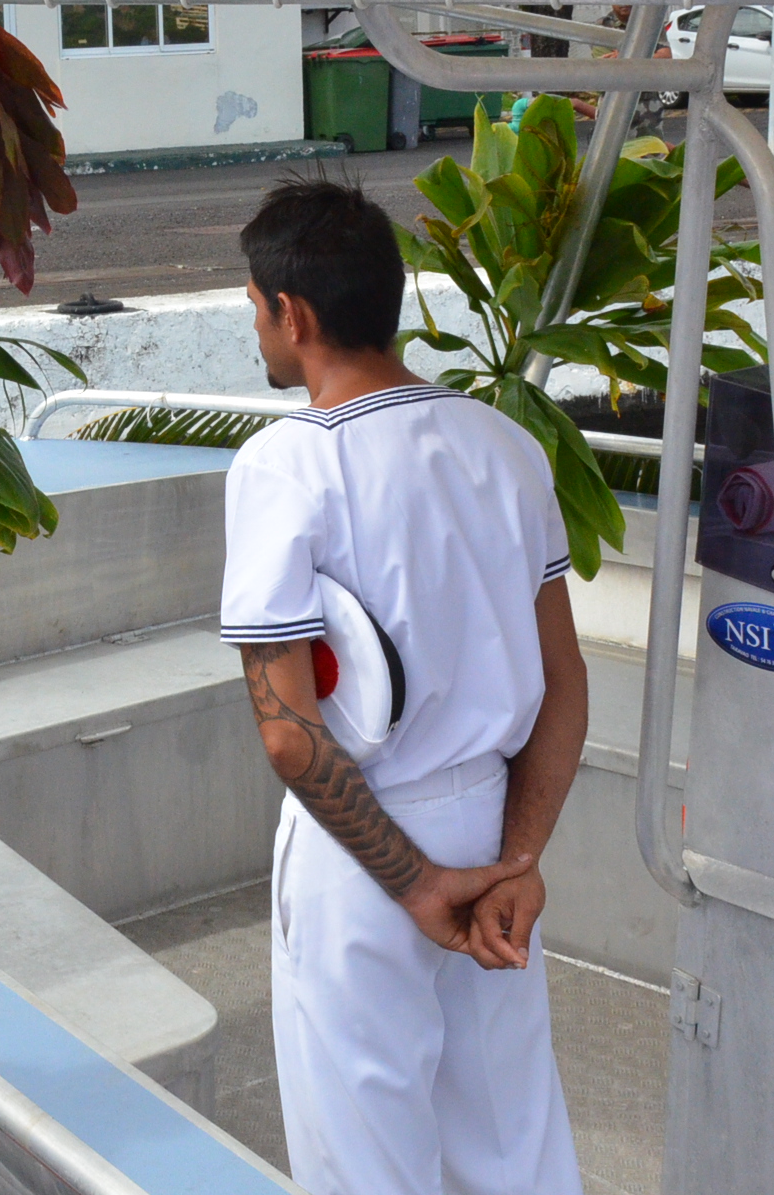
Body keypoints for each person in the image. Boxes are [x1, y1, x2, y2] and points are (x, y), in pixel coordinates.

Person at [222, 176, 589, 1195]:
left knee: (367, 1162)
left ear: (292, 314)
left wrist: (419, 886)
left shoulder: (283, 466)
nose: (256, 329)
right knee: (512, 1149)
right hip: (495, 834)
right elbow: (564, 683)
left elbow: (289, 732)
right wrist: (516, 860)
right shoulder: (507, 446)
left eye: (254, 309)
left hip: (363, 855)